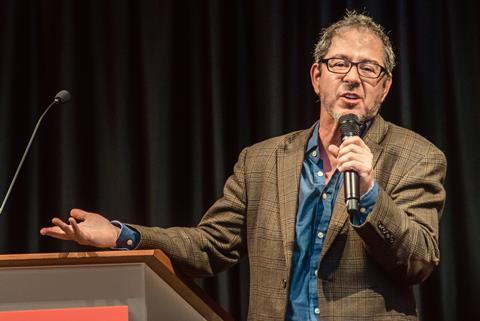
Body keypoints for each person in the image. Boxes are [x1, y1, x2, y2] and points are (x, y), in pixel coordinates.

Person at [40, 11, 446, 321]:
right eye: (340, 64)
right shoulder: (261, 161)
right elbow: (210, 246)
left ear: (385, 86)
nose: (353, 78)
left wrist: (370, 192)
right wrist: (121, 235)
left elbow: (420, 260)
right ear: (316, 76)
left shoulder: (417, 157)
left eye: (368, 68)